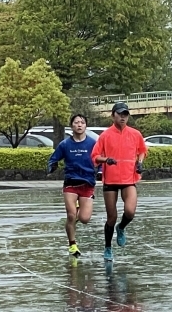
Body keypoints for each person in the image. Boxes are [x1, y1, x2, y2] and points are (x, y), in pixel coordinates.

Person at [91, 102, 147, 261]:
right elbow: (95, 156)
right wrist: (106, 159)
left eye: (125, 114)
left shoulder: (135, 134)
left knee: (130, 211)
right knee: (111, 217)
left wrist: (140, 163)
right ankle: (108, 247)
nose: (123, 117)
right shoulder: (105, 135)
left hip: (129, 178)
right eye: (120, 114)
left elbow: (142, 151)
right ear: (113, 115)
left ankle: (121, 228)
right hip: (111, 180)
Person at [47, 113, 97, 258]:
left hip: (88, 183)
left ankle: (77, 212)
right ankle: (72, 245)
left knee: (84, 219)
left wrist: (100, 171)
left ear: (86, 126)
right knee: (70, 215)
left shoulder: (92, 143)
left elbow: (99, 159)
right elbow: (53, 159)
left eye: (82, 122)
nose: (79, 125)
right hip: (71, 183)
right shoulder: (65, 145)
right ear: (71, 126)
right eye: (76, 122)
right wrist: (52, 166)